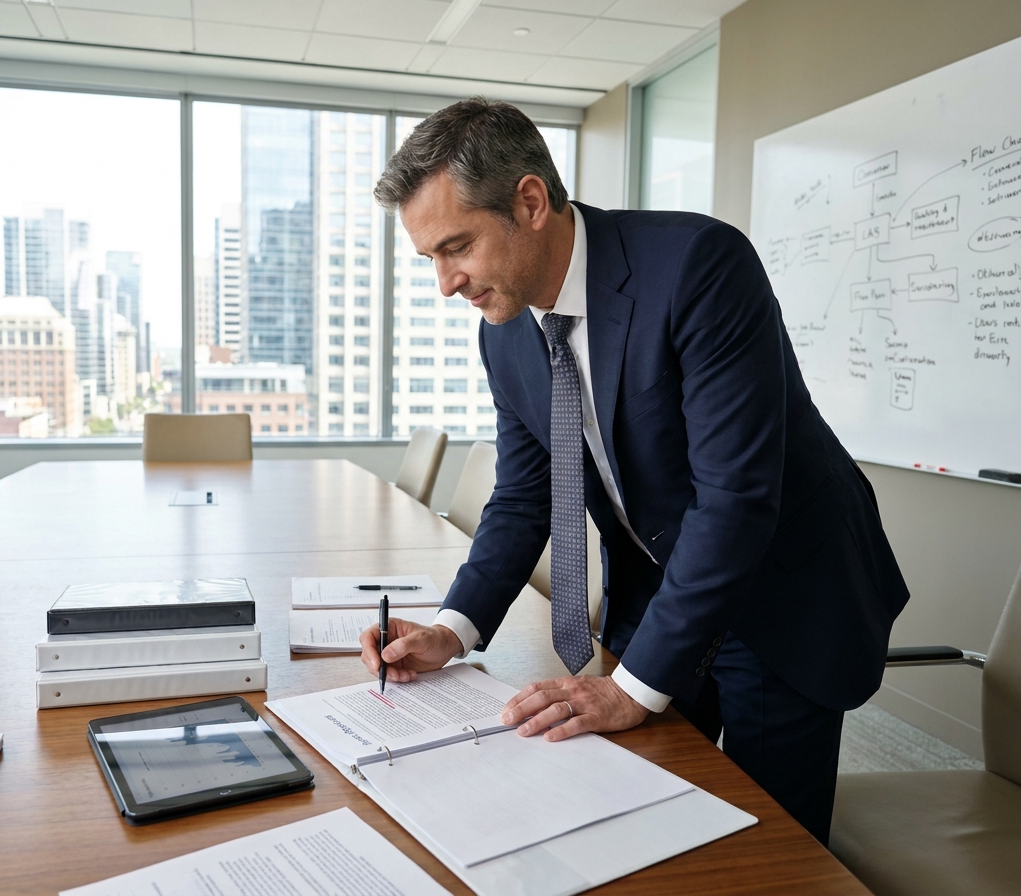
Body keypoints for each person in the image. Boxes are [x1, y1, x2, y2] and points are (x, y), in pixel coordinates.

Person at [358, 97, 909, 845]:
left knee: (768, 849)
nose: (445, 283)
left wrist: (631, 690)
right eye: (430, 259)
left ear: (530, 201)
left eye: (456, 247)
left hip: (785, 591)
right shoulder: (507, 334)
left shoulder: (697, 267)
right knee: (628, 812)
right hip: (658, 590)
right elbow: (524, 498)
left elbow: (737, 502)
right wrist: (454, 629)